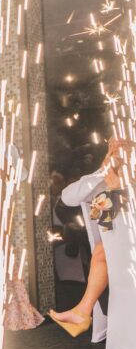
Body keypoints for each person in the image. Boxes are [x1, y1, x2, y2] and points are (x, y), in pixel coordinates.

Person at [48, 140, 129, 336]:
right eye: (112, 146)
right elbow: (68, 198)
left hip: (127, 247)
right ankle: (82, 312)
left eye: (121, 145)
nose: (114, 150)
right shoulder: (104, 175)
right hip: (117, 245)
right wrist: (102, 173)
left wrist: (118, 189)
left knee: (103, 249)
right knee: (103, 248)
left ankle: (82, 312)